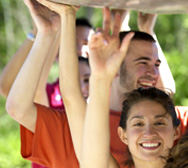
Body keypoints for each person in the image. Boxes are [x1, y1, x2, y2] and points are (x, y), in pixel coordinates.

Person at [5, 0, 188, 168]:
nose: (149, 132)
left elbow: (168, 93)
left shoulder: (175, 118)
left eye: (159, 123)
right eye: (138, 124)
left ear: (176, 131)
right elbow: (69, 98)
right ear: (123, 134)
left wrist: (149, 29)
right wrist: (56, 26)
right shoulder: (83, 125)